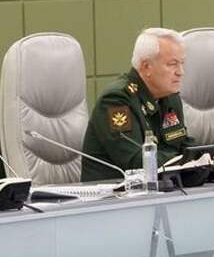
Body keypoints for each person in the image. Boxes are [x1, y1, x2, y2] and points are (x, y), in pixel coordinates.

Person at [81, 28, 196, 181]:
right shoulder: (116, 100)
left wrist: (208, 157)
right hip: (114, 192)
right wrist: (186, 161)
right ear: (146, 67)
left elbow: (182, 144)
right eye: (172, 64)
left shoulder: (169, 97)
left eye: (182, 63)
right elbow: (137, 162)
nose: (181, 72)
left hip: (161, 188)